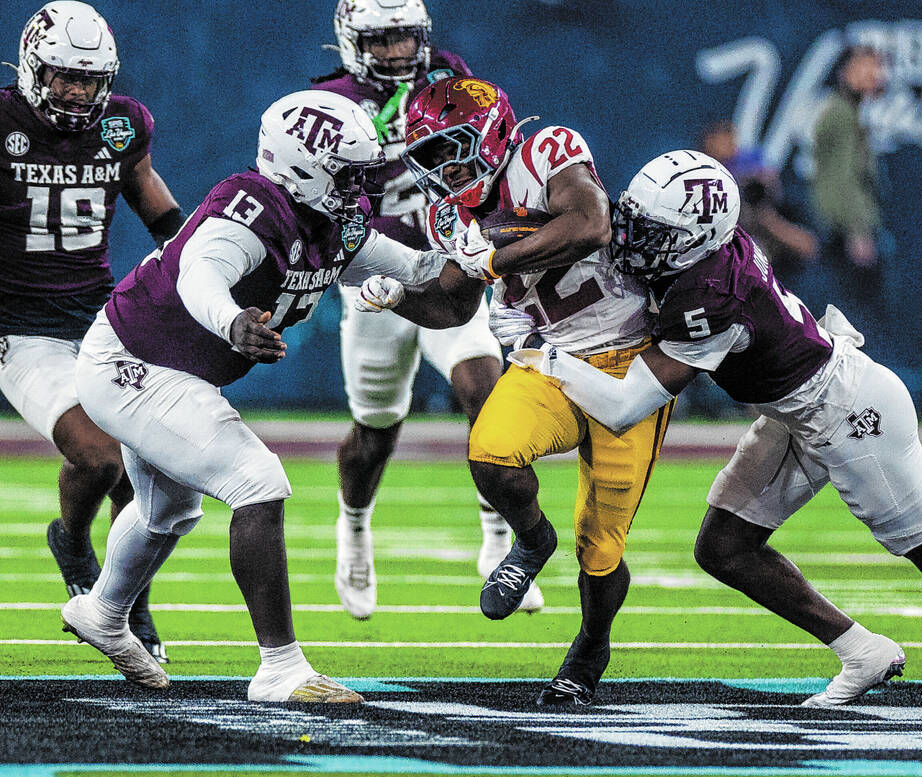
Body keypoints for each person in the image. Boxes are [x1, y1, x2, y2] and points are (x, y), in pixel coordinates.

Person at [512, 150, 922, 707]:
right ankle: (862, 651)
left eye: (652, 231)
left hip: (847, 413)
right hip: (795, 409)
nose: (632, 236)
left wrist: (540, 353)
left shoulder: (709, 294)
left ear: (692, 241)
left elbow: (624, 406)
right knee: (723, 548)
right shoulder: (700, 255)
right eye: (635, 217)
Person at [65, 89, 484, 701]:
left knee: (167, 512)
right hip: (131, 362)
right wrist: (233, 322)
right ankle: (280, 667)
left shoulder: (331, 222)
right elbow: (199, 273)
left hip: (169, 367)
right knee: (257, 481)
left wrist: (478, 255)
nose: (359, 189)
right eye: (347, 174)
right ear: (303, 166)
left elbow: (420, 275)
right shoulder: (253, 205)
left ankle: (101, 613)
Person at [401, 76, 668, 705]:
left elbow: (589, 224)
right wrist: (399, 303)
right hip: (547, 360)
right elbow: (453, 305)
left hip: (627, 358)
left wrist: (496, 258)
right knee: (490, 452)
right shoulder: (451, 211)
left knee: (600, 547)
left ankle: (588, 651)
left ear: (490, 134)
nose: (445, 169)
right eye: (431, 157)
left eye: (452, 148)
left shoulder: (544, 152)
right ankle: (530, 539)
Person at [311, 0, 539, 620]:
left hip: (446, 265)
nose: (396, 52)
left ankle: (498, 542)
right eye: (381, 40)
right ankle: (354, 525)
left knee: (485, 392)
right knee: (375, 431)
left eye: (405, 38)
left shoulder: (448, 77)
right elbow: (321, 197)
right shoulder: (329, 103)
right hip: (375, 276)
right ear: (353, 41)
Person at [1, 1, 184, 662]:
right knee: (101, 456)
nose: (76, 90)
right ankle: (75, 543)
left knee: (150, 470)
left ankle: (126, 601)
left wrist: (202, 261)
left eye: (87, 77)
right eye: (62, 76)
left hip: (100, 318)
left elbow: (155, 203)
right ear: (32, 69)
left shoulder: (121, 125)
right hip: (20, 327)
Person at [809, 44, 887, 324]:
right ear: (845, 72)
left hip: (841, 229)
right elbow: (842, 178)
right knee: (851, 316)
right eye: (865, 66)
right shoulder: (841, 114)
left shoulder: (849, 111)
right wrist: (857, 230)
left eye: (878, 66)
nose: (875, 74)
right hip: (842, 232)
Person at [700, 120, 817, 269]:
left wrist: (767, 219)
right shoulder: (708, 191)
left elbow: (809, 247)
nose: (730, 145)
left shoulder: (777, 204)